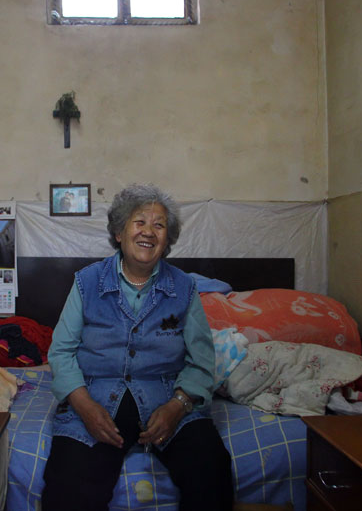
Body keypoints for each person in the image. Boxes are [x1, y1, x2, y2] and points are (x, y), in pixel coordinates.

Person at [41, 184, 233, 511]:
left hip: (166, 394)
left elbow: (202, 360)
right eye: (139, 222)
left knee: (212, 472)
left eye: (159, 225)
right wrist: (84, 406)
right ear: (119, 232)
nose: (148, 231)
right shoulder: (87, 282)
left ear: (167, 239)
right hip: (96, 395)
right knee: (68, 488)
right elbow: (60, 352)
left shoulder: (184, 287)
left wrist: (178, 405)